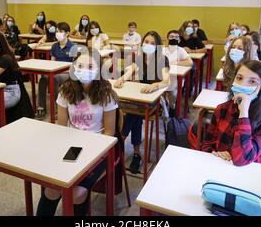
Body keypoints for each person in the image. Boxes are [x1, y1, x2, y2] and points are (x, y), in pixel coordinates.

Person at [36, 51, 118, 216]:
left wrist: (92, 154)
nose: (84, 70)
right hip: (72, 147)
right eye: (80, 66)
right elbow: (62, 128)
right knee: (52, 189)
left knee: (77, 194)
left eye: (90, 66)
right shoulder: (66, 90)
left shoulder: (106, 93)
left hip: (98, 149)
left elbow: (109, 132)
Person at [200, 60, 261, 166]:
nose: (243, 84)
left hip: (251, 175)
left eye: (252, 82)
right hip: (220, 167)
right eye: (239, 78)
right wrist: (214, 154)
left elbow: (243, 158)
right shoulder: (222, 109)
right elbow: (206, 144)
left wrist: (243, 113)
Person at [114, 31, 170, 174]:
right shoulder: (140, 58)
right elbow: (129, 72)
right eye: (146, 42)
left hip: (155, 101)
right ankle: (137, 153)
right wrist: (121, 79)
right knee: (135, 116)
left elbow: (166, 81)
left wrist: (154, 86)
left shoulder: (162, 59)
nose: (148, 45)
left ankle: (121, 142)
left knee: (133, 115)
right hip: (140, 100)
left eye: (152, 43)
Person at [35, 22, 76, 118]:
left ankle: (58, 108)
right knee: (43, 78)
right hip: (55, 71)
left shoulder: (72, 47)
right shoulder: (54, 46)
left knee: (55, 79)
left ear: (67, 33)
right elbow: (52, 63)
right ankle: (41, 107)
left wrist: (60, 71)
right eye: (57, 31)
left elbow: (74, 66)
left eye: (61, 31)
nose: (58, 33)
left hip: (67, 73)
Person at [163, 30, 193, 114]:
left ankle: (172, 107)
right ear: (167, 39)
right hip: (163, 77)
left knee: (173, 95)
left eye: (176, 37)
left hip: (175, 79)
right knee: (160, 95)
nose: (174, 38)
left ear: (179, 40)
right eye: (171, 37)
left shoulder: (181, 50)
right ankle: (163, 106)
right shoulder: (163, 49)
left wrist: (175, 63)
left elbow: (190, 62)